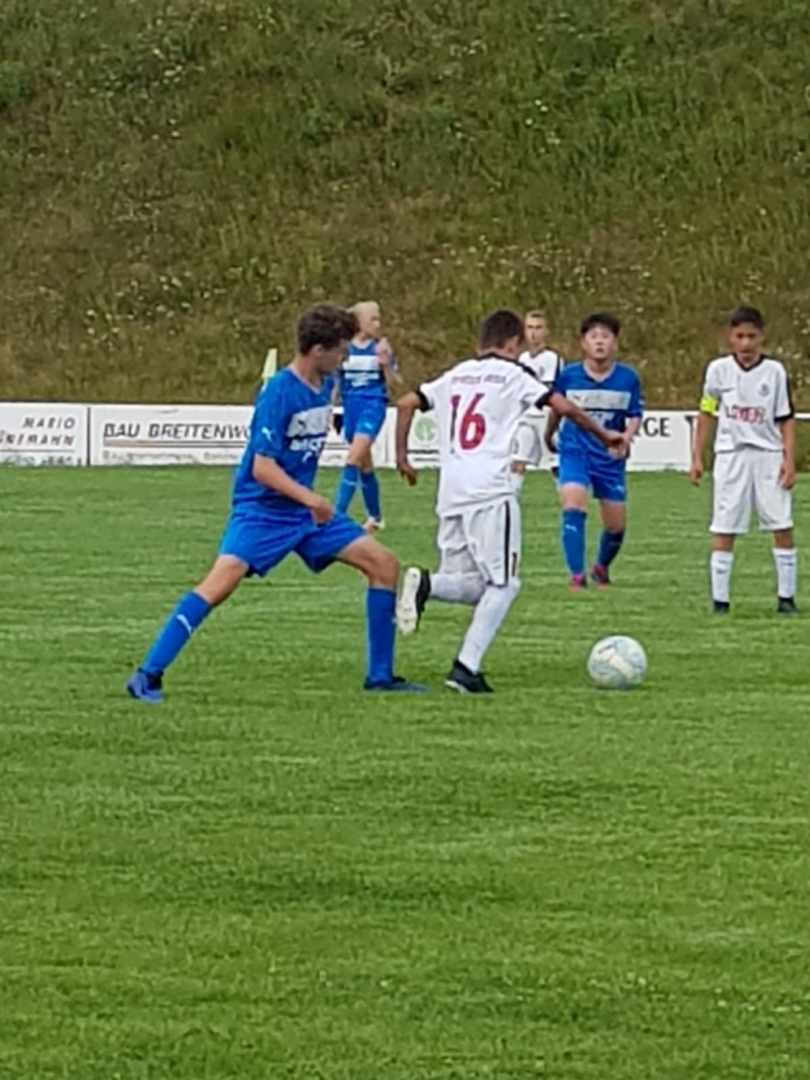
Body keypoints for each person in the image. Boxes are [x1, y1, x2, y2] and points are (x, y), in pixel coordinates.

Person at [126, 303, 425, 704]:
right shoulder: (279, 392)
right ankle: (148, 675)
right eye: (339, 350)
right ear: (316, 351)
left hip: (305, 514)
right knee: (218, 586)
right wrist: (313, 499)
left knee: (383, 564)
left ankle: (381, 677)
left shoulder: (326, 383)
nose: (345, 358)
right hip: (263, 510)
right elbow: (262, 468)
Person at [394, 309, 624, 694]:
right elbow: (562, 406)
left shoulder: (456, 374)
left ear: (480, 343)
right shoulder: (516, 375)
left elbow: (404, 403)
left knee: (472, 584)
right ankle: (466, 668)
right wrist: (604, 436)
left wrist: (402, 456)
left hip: (451, 492)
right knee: (505, 585)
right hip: (490, 491)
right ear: (514, 344)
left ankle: (427, 586)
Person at [689, 305, 797, 614]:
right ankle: (720, 602)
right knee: (725, 527)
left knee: (782, 525)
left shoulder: (774, 372)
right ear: (730, 338)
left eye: (752, 336)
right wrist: (697, 456)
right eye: (740, 336)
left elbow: (786, 418)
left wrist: (789, 461)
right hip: (731, 456)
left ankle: (786, 598)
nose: (746, 343)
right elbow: (707, 411)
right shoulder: (718, 370)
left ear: (762, 337)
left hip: (768, 455)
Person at [545, 313, 643, 590]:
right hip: (575, 452)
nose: (600, 342)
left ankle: (601, 566)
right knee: (573, 505)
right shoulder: (569, 376)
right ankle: (576, 574)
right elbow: (558, 407)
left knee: (616, 526)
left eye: (605, 336)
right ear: (583, 343)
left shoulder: (628, 378)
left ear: (615, 343)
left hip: (608, 458)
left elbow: (635, 413)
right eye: (594, 336)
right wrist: (548, 433)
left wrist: (626, 437)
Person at [334, 300, 401, 530]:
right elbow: (335, 381)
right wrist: (327, 408)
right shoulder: (344, 349)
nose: (378, 323)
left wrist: (386, 365)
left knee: (352, 458)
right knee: (364, 464)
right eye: (373, 319)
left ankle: (335, 516)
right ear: (359, 323)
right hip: (350, 407)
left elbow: (396, 383)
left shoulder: (381, 348)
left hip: (373, 405)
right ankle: (376, 517)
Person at [511, 311, 563, 492]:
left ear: (546, 331)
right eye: (530, 328)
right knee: (518, 460)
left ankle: (569, 503)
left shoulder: (551, 358)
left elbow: (547, 388)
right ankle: (510, 502)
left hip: (545, 416)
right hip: (526, 416)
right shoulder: (522, 358)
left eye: (538, 328)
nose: (534, 333)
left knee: (555, 464)